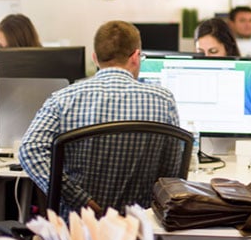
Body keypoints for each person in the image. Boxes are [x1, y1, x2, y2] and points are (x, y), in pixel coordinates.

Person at [18, 21, 180, 212]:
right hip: (140, 232)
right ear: (136, 57)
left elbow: (29, 150)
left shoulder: (63, 99)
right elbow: (172, 175)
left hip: (76, 233)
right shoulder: (163, 100)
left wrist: (79, 198)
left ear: (95, 58)